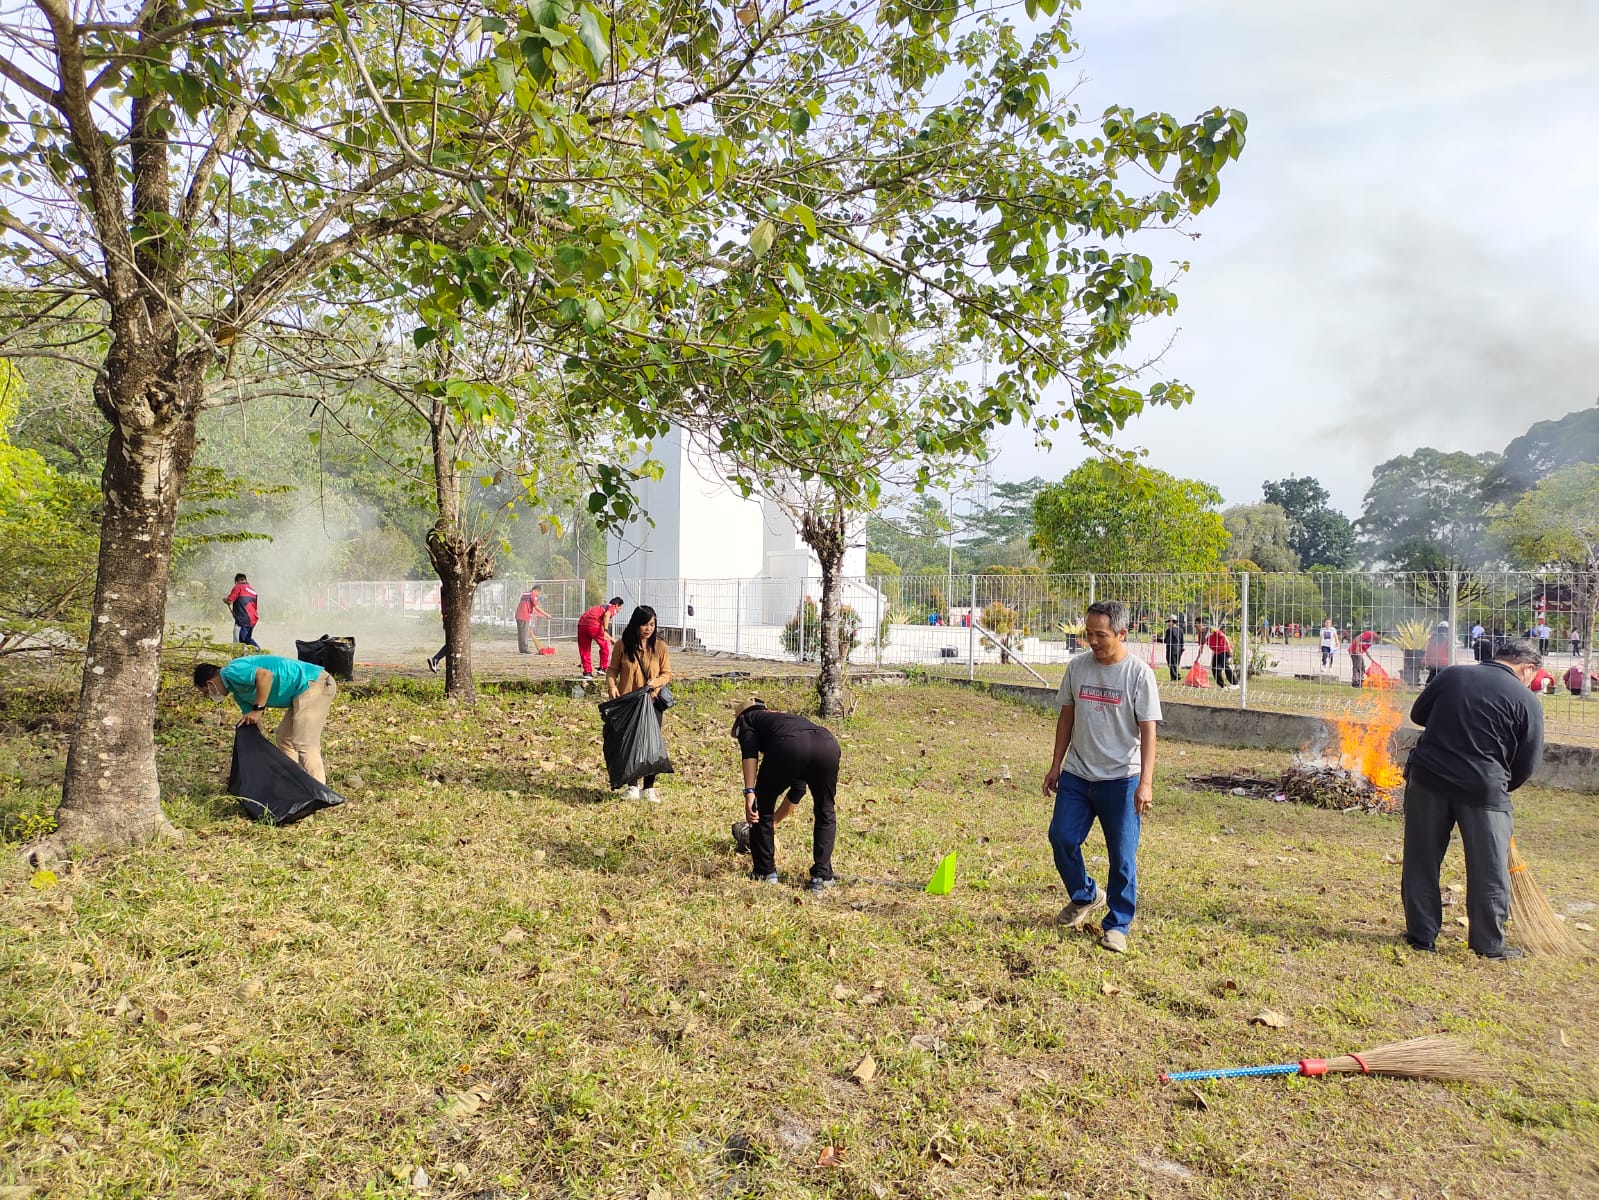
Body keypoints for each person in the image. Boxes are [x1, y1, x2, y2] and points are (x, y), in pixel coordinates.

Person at [1402, 640, 1544, 961]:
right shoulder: (1527, 700)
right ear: (1527, 668)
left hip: (1428, 781)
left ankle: (1421, 936)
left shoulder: (1452, 676)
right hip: (1484, 790)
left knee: (1421, 859)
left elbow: (1419, 714)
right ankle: (1488, 945)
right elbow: (1527, 761)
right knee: (1490, 868)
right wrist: (1501, 787)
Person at [1042, 600, 1161, 954]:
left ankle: (1117, 925)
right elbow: (1066, 718)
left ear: (1122, 633)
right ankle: (1085, 895)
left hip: (1122, 779)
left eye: (1101, 635)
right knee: (1061, 837)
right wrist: (1055, 765)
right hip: (1078, 774)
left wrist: (1146, 782)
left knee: (1122, 856)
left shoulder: (1139, 675)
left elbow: (1149, 731)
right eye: (1088, 633)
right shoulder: (1077, 668)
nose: (1092, 641)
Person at [732, 699, 840, 892]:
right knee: (825, 812)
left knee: (761, 806)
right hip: (827, 743)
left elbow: (749, 753)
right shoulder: (785, 720)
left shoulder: (747, 719)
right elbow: (798, 789)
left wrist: (750, 793)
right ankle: (821, 877)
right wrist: (774, 823)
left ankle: (765, 872)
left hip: (789, 747)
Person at [193, 653, 338, 783]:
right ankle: (293, 782)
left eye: (207, 692)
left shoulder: (232, 671)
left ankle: (319, 792)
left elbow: (265, 676)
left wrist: (258, 709)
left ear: (210, 683)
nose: (211, 696)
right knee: (284, 737)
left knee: (305, 743)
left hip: (313, 683)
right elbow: (254, 721)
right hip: (299, 693)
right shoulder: (237, 691)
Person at [605, 605, 673, 802]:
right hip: (628, 703)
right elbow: (612, 671)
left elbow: (667, 673)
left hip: (651, 703)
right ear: (636, 624)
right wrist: (611, 687)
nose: (648, 628)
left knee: (652, 744)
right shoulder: (622, 645)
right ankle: (632, 786)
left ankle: (649, 788)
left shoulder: (660, 646)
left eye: (652, 624)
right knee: (629, 743)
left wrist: (655, 683)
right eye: (644, 624)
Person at [577, 596, 624, 677]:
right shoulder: (612, 607)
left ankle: (587, 672)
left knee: (584, 649)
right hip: (593, 623)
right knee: (606, 645)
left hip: (582, 623)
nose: (619, 611)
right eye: (620, 608)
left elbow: (600, 627)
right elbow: (607, 615)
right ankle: (603, 668)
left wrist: (610, 638)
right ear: (616, 605)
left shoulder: (600, 608)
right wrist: (606, 631)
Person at [224, 573, 261, 649]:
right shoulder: (253, 590)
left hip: (242, 619)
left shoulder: (238, 587)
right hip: (253, 619)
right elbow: (255, 607)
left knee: (238, 641)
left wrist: (225, 600)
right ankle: (260, 653)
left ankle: (238, 658)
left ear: (236, 581)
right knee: (247, 639)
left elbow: (230, 601)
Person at [1195, 620, 1237, 688]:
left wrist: (1229, 648)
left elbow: (1224, 636)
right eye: (1195, 625)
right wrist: (1197, 659)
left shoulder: (1211, 629)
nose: (1196, 627)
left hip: (1224, 649)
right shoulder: (1201, 635)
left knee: (1225, 666)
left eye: (1197, 624)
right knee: (1215, 668)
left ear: (1202, 624)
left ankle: (1235, 684)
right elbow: (1201, 648)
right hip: (1217, 652)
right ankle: (1223, 686)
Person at [515, 583, 551, 654]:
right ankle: (524, 650)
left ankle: (522, 649)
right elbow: (536, 607)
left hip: (518, 615)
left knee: (521, 633)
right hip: (524, 615)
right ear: (537, 590)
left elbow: (529, 606)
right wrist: (546, 614)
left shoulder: (525, 593)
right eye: (539, 593)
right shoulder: (532, 595)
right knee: (524, 633)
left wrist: (537, 614)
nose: (538, 595)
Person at [1157, 614, 1184, 682]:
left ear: (1172, 622)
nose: (1167, 623)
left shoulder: (1169, 630)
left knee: (1171, 663)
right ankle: (1176, 675)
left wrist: (1157, 639)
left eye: (1168, 621)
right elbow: (1182, 641)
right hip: (1179, 648)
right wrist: (1181, 648)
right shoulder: (1180, 630)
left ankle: (1175, 677)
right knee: (1176, 663)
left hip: (1171, 648)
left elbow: (1166, 640)